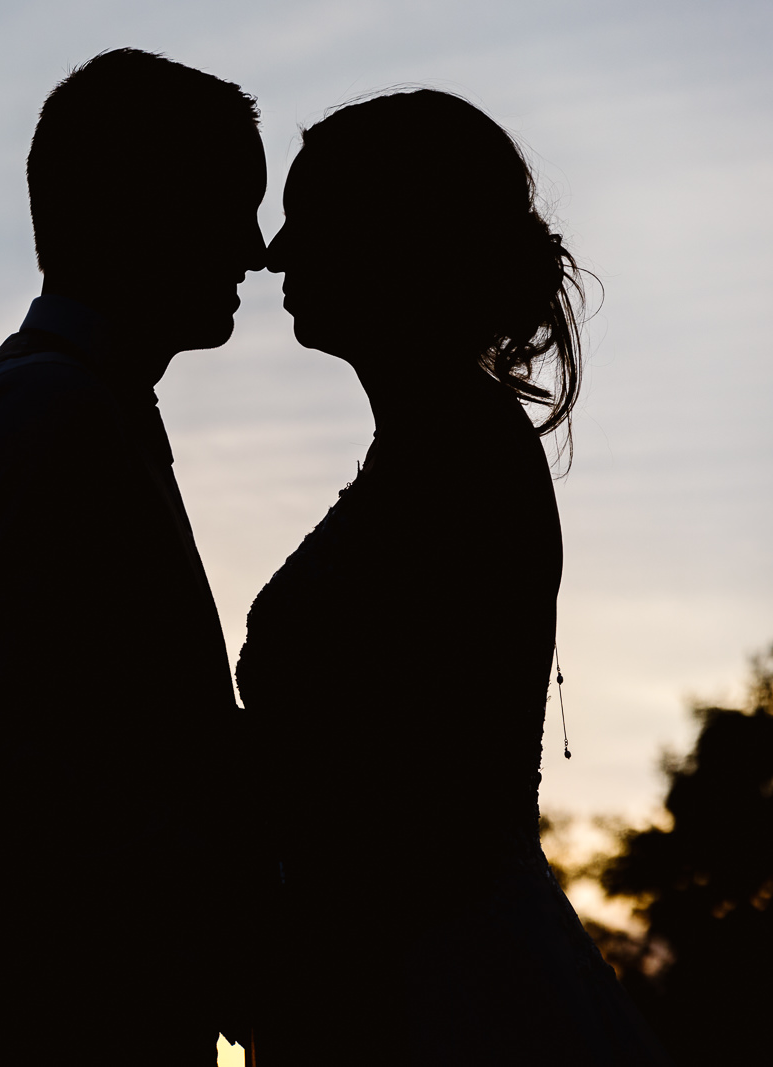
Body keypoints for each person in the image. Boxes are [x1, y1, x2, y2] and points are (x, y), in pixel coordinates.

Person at [237, 88, 669, 1064]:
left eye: (307, 221)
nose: (273, 253)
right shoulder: (438, 447)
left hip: (434, 995)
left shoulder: (462, 461)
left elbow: (421, 797)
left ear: (391, 237)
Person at [0, 49, 267, 1066]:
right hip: (45, 1017)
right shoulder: (41, 415)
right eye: (233, 205)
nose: (256, 246)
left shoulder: (74, 406)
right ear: (141, 204)